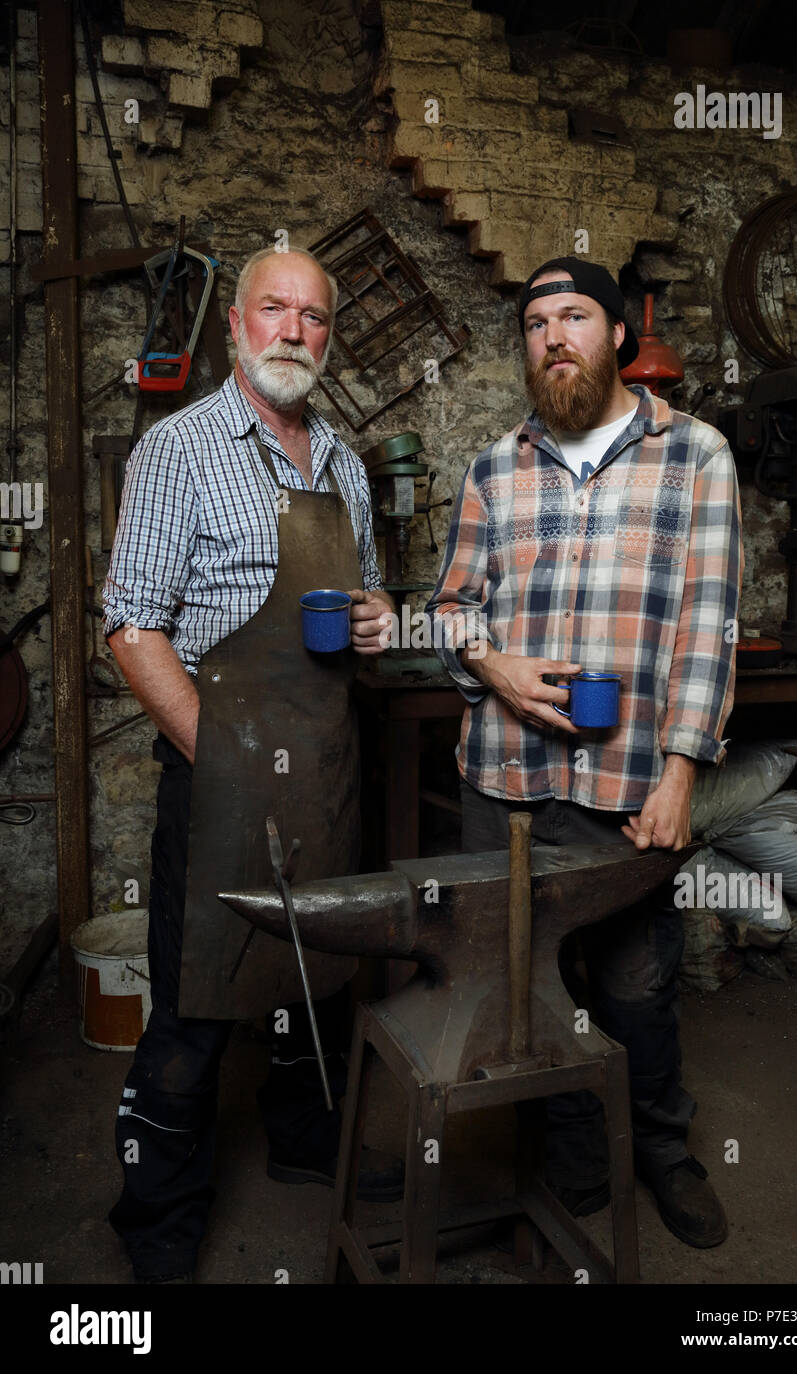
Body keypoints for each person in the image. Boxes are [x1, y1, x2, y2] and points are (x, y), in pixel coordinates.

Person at [426, 256, 743, 1249]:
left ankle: (660, 1147)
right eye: (533, 322)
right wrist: (497, 667)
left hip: (629, 783)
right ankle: (565, 1161)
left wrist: (683, 770)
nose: (551, 336)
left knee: (638, 982)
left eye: (573, 316)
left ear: (616, 335)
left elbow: (708, 624)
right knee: (522, 982)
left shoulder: (694, 455)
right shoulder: (494, 465)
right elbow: (445, 611)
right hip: (505, 781)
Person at [103, 247, 402, 1284]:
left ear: (326, 336)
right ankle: (158, 1219)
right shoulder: (179, 448)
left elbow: (361, 603)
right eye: (273, 308)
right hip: (218, 767)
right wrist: (226, 768)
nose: (293, 330)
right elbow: (134, 629)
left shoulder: (346, 466)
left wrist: (376, 620)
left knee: (315, 975)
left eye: (312, 316)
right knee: (194, 1008)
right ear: (235, 325)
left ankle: (305, 1142)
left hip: (322, 762)